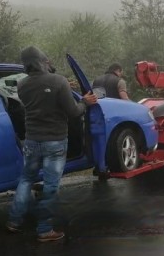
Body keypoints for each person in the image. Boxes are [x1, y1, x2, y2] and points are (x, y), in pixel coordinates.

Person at [6, 46, 98, 242]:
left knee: (26, 180)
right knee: (50, 186)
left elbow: (38, 101)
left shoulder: (21, 86)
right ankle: (45, 229)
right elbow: (73, 112)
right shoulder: (59, 81)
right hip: (54, 142)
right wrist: (85, 102)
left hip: (31, 141)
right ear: (43, 61)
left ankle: (14, 221)